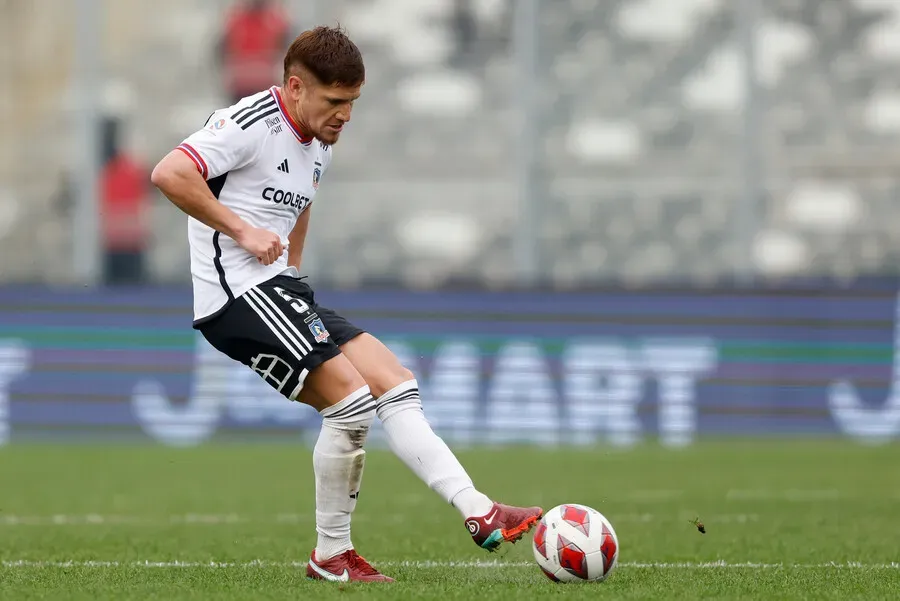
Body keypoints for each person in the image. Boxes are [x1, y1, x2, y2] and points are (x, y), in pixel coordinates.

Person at [150, 26, 541, 583]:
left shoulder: (319, 141)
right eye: (335, 102)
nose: (345, 116)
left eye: (353, 103)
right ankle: (331, 555)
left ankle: (478, 510)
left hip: (275, 288)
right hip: (233, 295)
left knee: (394, 381)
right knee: (351, 403)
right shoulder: (247, 124)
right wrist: (241, 231)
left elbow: (298, 204)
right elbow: (170, 173)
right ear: (294, 87)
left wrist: (290, 274)